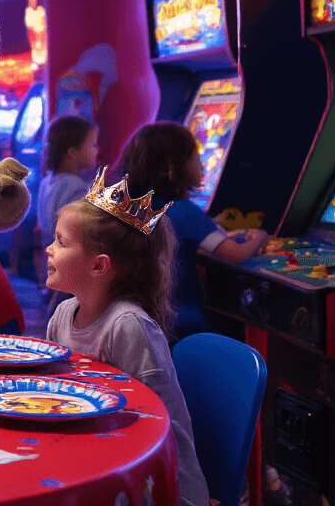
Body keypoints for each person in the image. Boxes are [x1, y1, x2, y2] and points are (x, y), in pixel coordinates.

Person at [45, 169, 211, 506]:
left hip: (155, 480)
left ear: (98, 267)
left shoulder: (128, 326)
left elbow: (151, 423)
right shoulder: (63, 314)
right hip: (96, 454)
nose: (49, 249)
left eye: (61, 242)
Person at [118, 121, 268, 338]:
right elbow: (236, 254)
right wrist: (259, 237)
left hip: (135, 318)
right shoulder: (184, 211)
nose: (203, 165)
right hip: (178, 322)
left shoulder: (130, 206)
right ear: (170, 168)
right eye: (196, 158)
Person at [37, 115, 99, 315]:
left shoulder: (49, 180)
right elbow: (83, 230)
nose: (97, 151)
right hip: (71, 258)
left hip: (53, 251)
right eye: (92, 145)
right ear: (72, 153)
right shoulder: (77, 187)